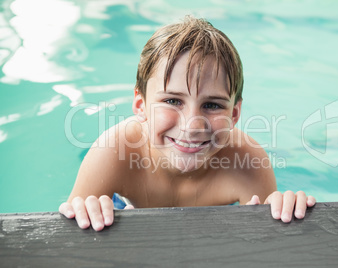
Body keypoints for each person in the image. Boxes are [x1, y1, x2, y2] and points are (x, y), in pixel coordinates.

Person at [59, 16, 316, 231]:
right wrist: (86, 210)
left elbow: (264, 244)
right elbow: (67, 236)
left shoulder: (248, 163)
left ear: (234, 114)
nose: (193, 126)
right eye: (172, 101)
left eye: (212, 105)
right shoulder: (113, 152)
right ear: (140, 106)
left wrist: (285, 207)